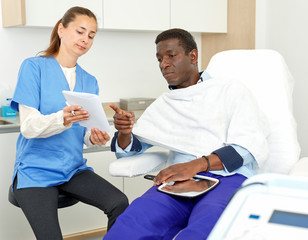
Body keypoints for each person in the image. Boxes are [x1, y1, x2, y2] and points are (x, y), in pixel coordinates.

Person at [104, 28, 269, 239]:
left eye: (171, 56)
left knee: (205, 230)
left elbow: (247, 147)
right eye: (160, 59)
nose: (164, 64)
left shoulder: (230, 90)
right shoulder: (165, 104)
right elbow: (127, 151)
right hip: (178, 181)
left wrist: (194, 165)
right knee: (131, 224)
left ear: (193, 56)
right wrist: (125, 132)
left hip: (227, 178)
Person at [10, 6, 128, 240]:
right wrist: (61, 119)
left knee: (120, 203)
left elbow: (82, 133)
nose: (85, 39)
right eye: (80, 31)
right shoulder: (34, 67)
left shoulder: (89, 81)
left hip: (72, 169)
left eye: (91, 35)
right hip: (36, 171)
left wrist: (93, 137)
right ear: (61, 29)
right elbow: (29, 127)